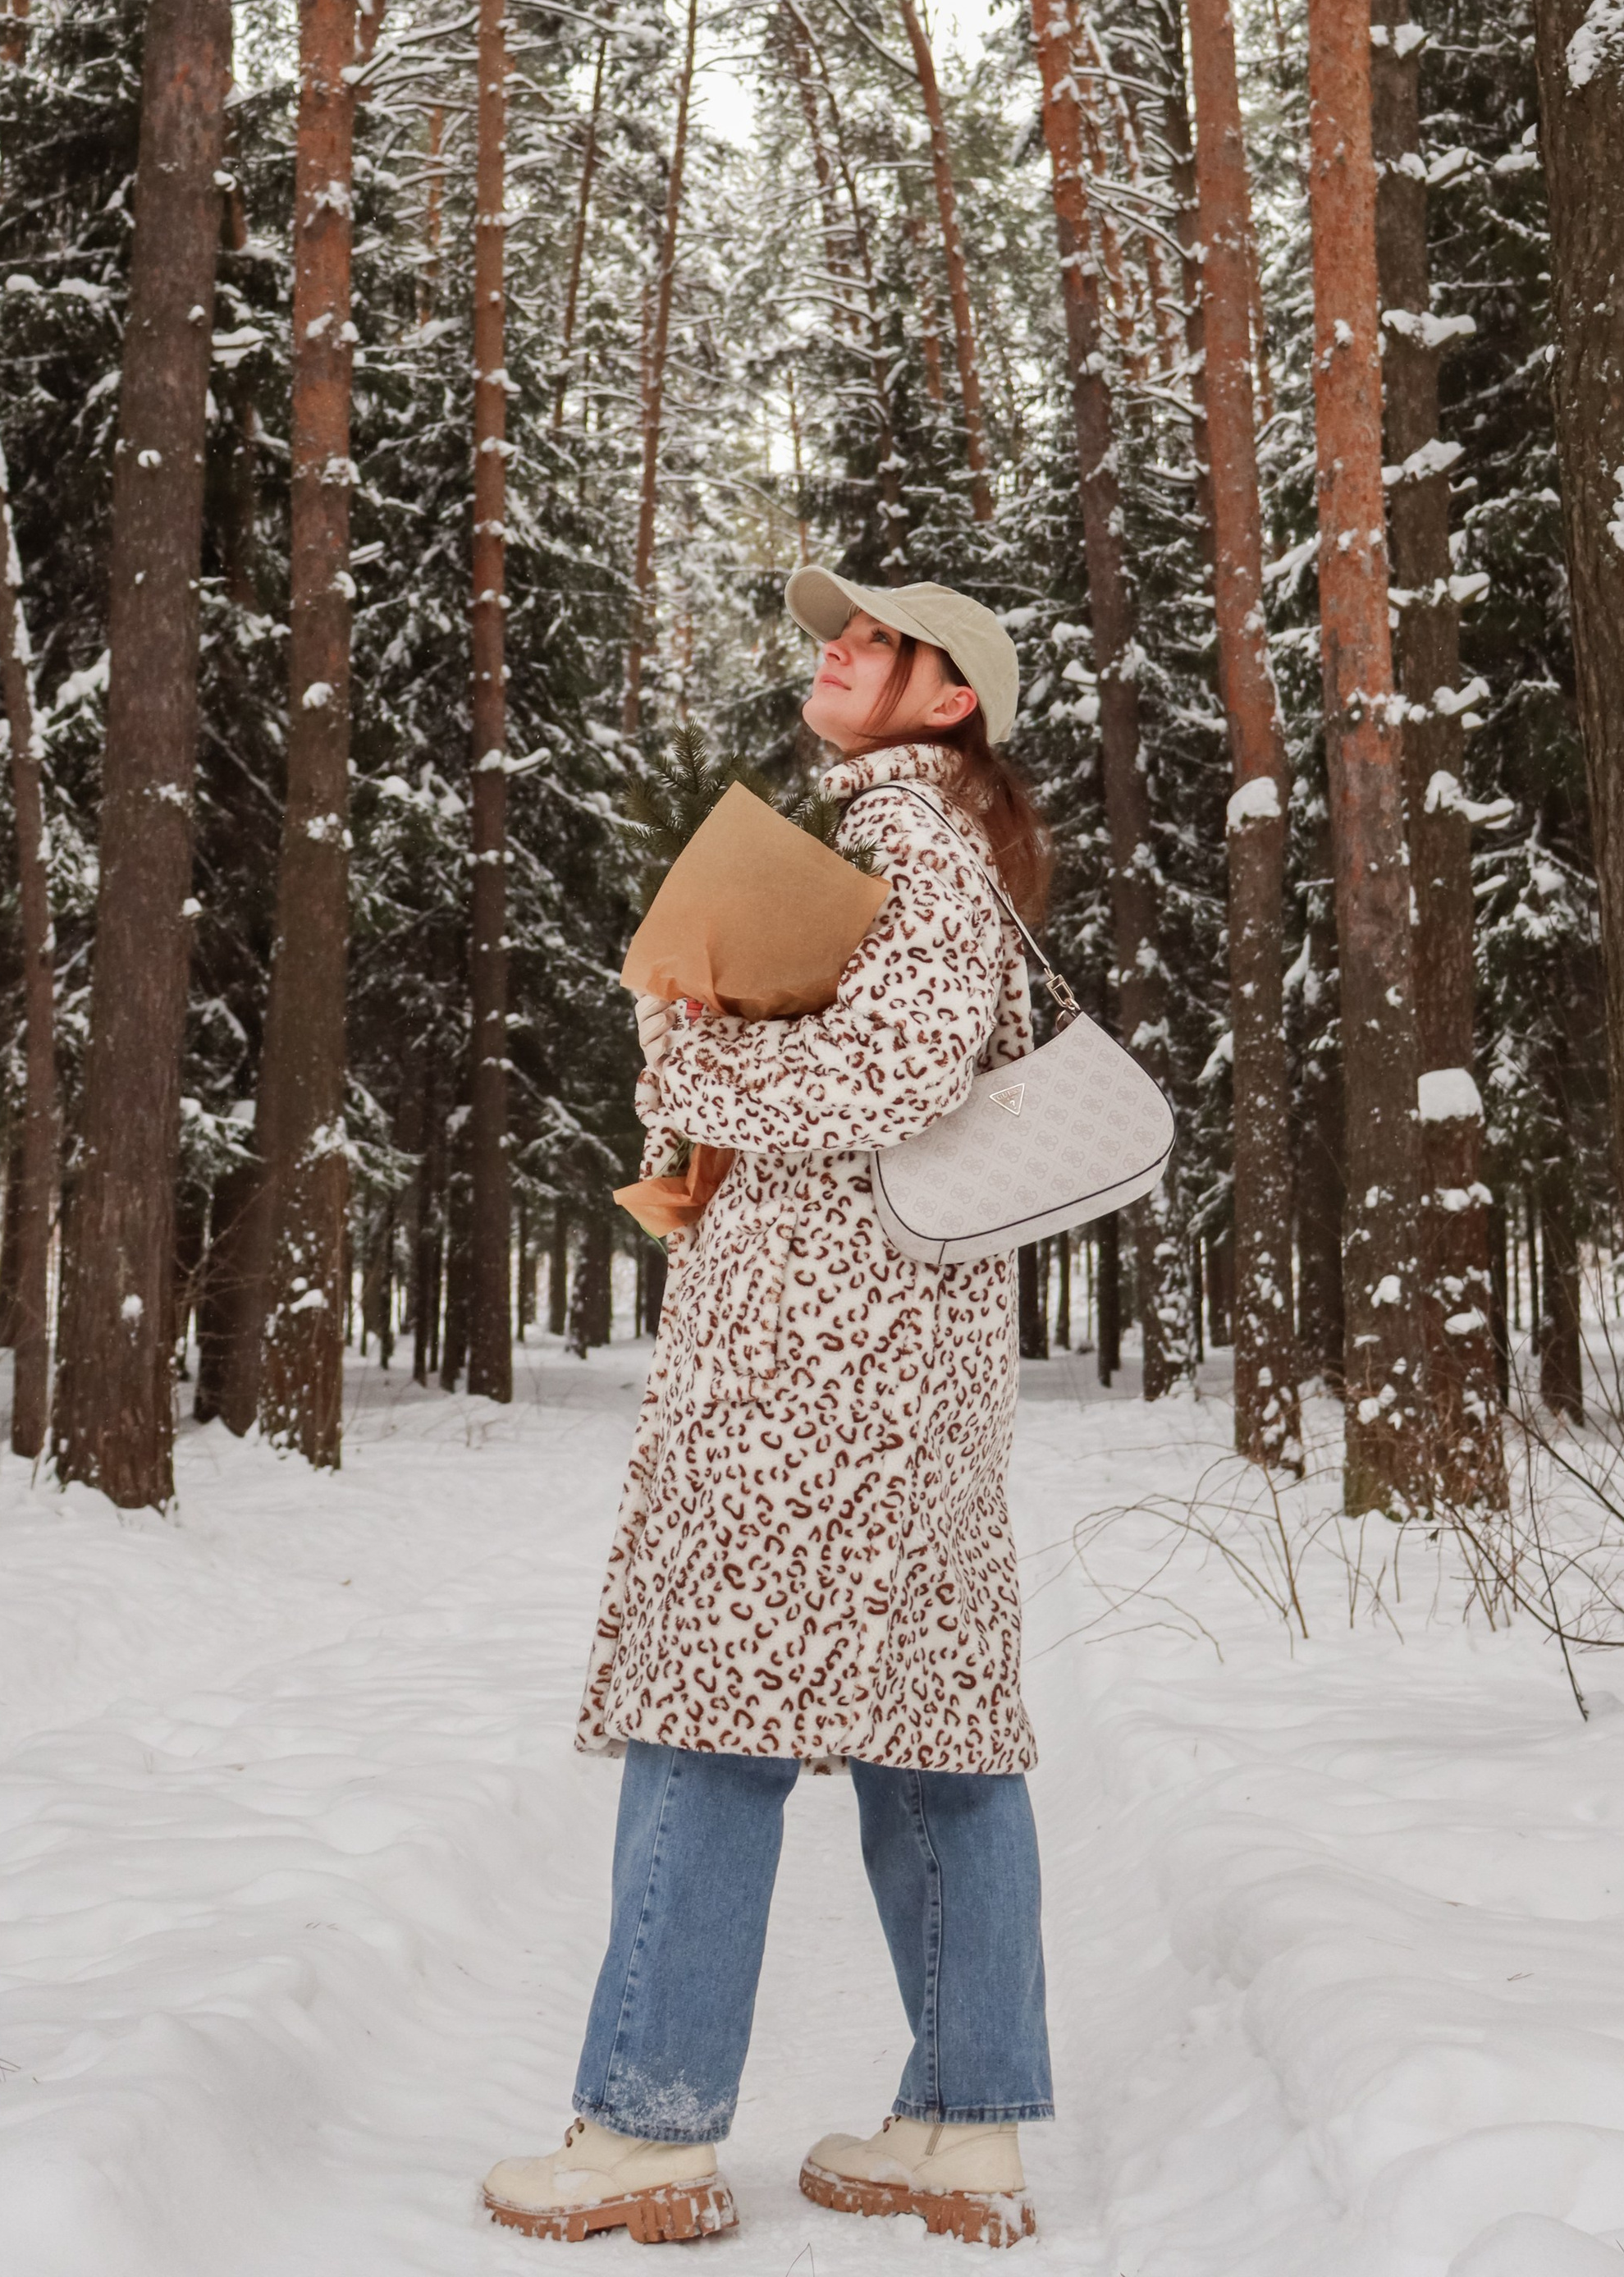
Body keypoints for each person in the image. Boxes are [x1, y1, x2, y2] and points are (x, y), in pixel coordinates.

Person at [483, 569, 1055, 2250]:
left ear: (950, 699)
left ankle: (645, 2137)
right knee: (930, 1735)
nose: (835, 651)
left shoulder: (913, 846)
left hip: (826, 1366)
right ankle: (963, 2131)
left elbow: (894, 1077)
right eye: (835, 631)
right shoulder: (926, 845)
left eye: (874, 641)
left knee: (709, 1717)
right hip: (903, 1357)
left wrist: (691, 1067)